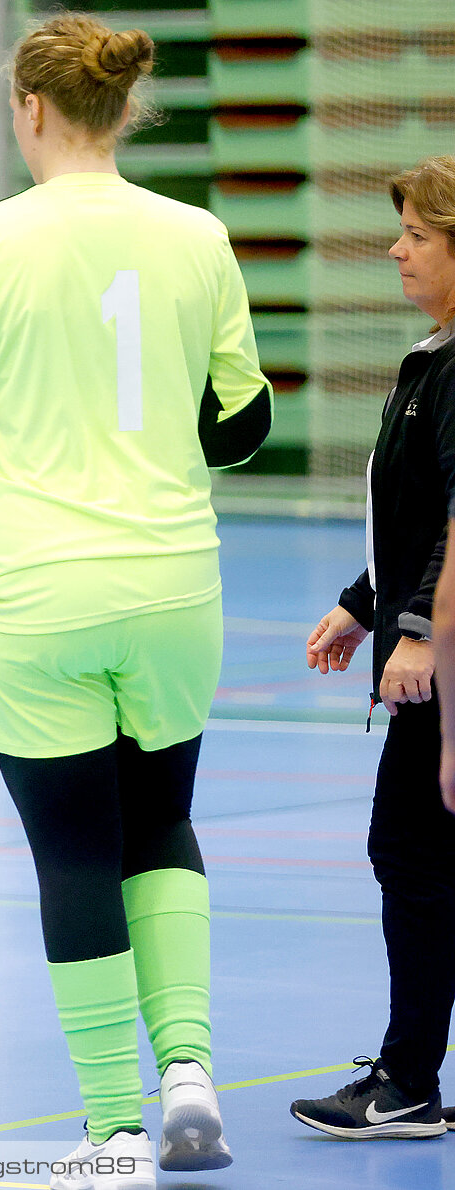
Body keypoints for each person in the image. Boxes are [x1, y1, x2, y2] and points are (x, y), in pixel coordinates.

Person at [0, 14, 271, 1189]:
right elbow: (244, 423)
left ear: (31, 111)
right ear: (123, 111)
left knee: (73, 852)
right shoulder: (199, 235)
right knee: (161, 822)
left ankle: (114, 1127)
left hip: (39, 588)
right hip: (174, 583)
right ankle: (194, 1074)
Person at [298, 155, 455, 1141]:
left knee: (407, 848)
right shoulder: (433, 360)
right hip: (428, 640)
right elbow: (415, 513)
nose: (396, 249)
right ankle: (410, 1068)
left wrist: (417, 627)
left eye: (418, 235)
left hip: (443, 665)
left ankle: (405, 1080)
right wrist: (366, 601)